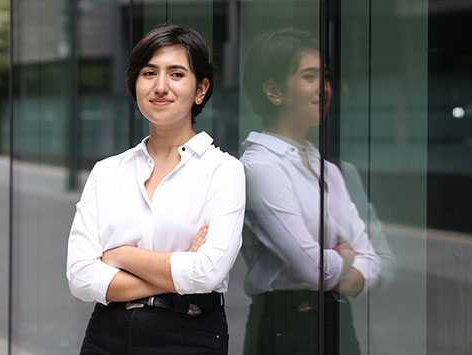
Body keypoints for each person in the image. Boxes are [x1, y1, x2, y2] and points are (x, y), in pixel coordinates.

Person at [66, 25, 245, 354]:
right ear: (135, 85)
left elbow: (206, 273)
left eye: (176, 74)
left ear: (201, 89)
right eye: (149, 73)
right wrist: (178, 269)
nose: (160, 86)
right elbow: (79, 276)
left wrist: (120, 256)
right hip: (106, 334)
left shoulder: (223, 171)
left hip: (188, 335)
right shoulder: (107, 172)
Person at [239, 28, 380, 355]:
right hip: (285, 325)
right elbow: (308, 267)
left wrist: (349, 266)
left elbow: (370, 257)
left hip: (337, 318)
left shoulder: (327, 169)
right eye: (309, 76)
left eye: (326, 76)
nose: (324, 88)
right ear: (274, 91)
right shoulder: (260, 168)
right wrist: (347, 255)